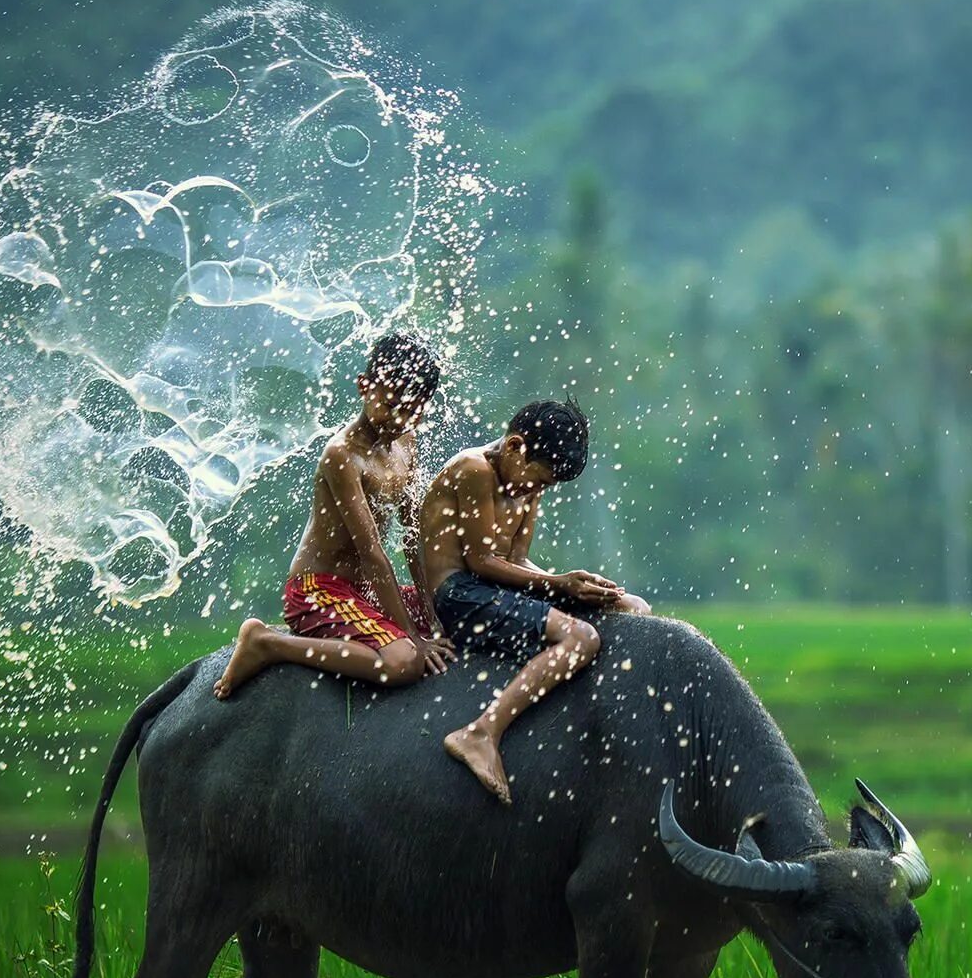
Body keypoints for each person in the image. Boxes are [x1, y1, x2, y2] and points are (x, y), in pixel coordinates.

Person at [415, 399, 650, 805]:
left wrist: (575, 584)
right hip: (460, 595)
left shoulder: (526, 482)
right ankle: (481, 732)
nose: (537, 491)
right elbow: (481, 560)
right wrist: (560, 585)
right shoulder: (475, 470)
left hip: (493, 588)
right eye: (537, 480)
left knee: (633, 605)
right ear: (515, 447)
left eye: (546, 486)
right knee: (582, 639)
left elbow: (518, 561)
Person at [213, 330, 457, 705]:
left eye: (412, 409)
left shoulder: (407, 444)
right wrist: (414, 635)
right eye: (392, 402)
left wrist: (431, 608)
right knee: (404, 661)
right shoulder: (341, 454)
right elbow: (372, 552)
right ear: (365, 386)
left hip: (363, 593)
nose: (399, 417)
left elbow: (412, 536)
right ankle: (267, 643)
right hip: (318, 590)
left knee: (455, 609)